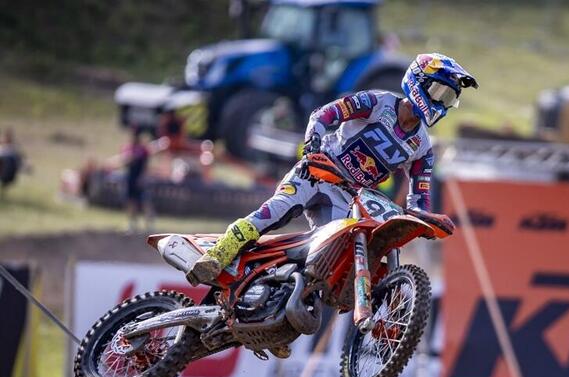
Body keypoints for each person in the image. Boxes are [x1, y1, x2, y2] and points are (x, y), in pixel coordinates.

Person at [188, 52, 478, 285]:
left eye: (448, 98)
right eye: (439, 92)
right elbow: (324, 115)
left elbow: (419, 197)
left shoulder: (423, 147)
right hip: (317, 171)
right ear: (418, 82)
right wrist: (312, 147)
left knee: (332, 259)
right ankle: (218, 254)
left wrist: (423, 221)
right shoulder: (376, 102)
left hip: (349, 198)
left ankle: (283, 302)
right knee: (276, 210)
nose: (441, 102)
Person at [122, 129, 152, 233]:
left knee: (144, 201)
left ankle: (149, 223)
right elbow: (125, 162)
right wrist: (129, 159)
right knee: (131, 201)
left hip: (139, 178)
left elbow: (145, 165)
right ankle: (132, 223)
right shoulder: (128, 149)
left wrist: (143, 177)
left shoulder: (143, 150)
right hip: (130, 178)